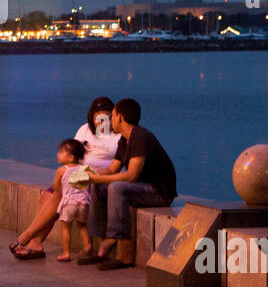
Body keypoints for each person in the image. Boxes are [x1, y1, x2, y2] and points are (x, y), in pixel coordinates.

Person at [11, 97, 120, 258]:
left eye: (106, 118)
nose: (101, 123)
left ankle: (28, 236)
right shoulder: (84, 130)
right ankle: (36, 242)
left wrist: (88, 175)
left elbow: (115, 169)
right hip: (76, 176)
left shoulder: (118, 137)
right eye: (98, 118)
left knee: (60, 196)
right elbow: (72, 154)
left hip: (95, 179)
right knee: (47, 195)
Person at [84, 98, 177, 270]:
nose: (110, 120)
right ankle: (100, 245)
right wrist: (87, 176)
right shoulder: (124, 140)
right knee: (98, 187)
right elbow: (112, 169)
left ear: (120, 116)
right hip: (142, 188)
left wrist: (97, 178)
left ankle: (125, 255)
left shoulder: (140, 137)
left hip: (159, 192)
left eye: (112, 116)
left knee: (117, 188)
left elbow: (131, 176)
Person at [53, 139, 91, 262]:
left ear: (70, 157)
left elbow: (55, 187)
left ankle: (66, 253)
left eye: (61, 152)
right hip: (83, 203)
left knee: (65, 228)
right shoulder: (84, 169)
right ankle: (88, 246)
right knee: (82, 226)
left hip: (69, 203)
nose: (58, 154)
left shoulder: (61, 170)